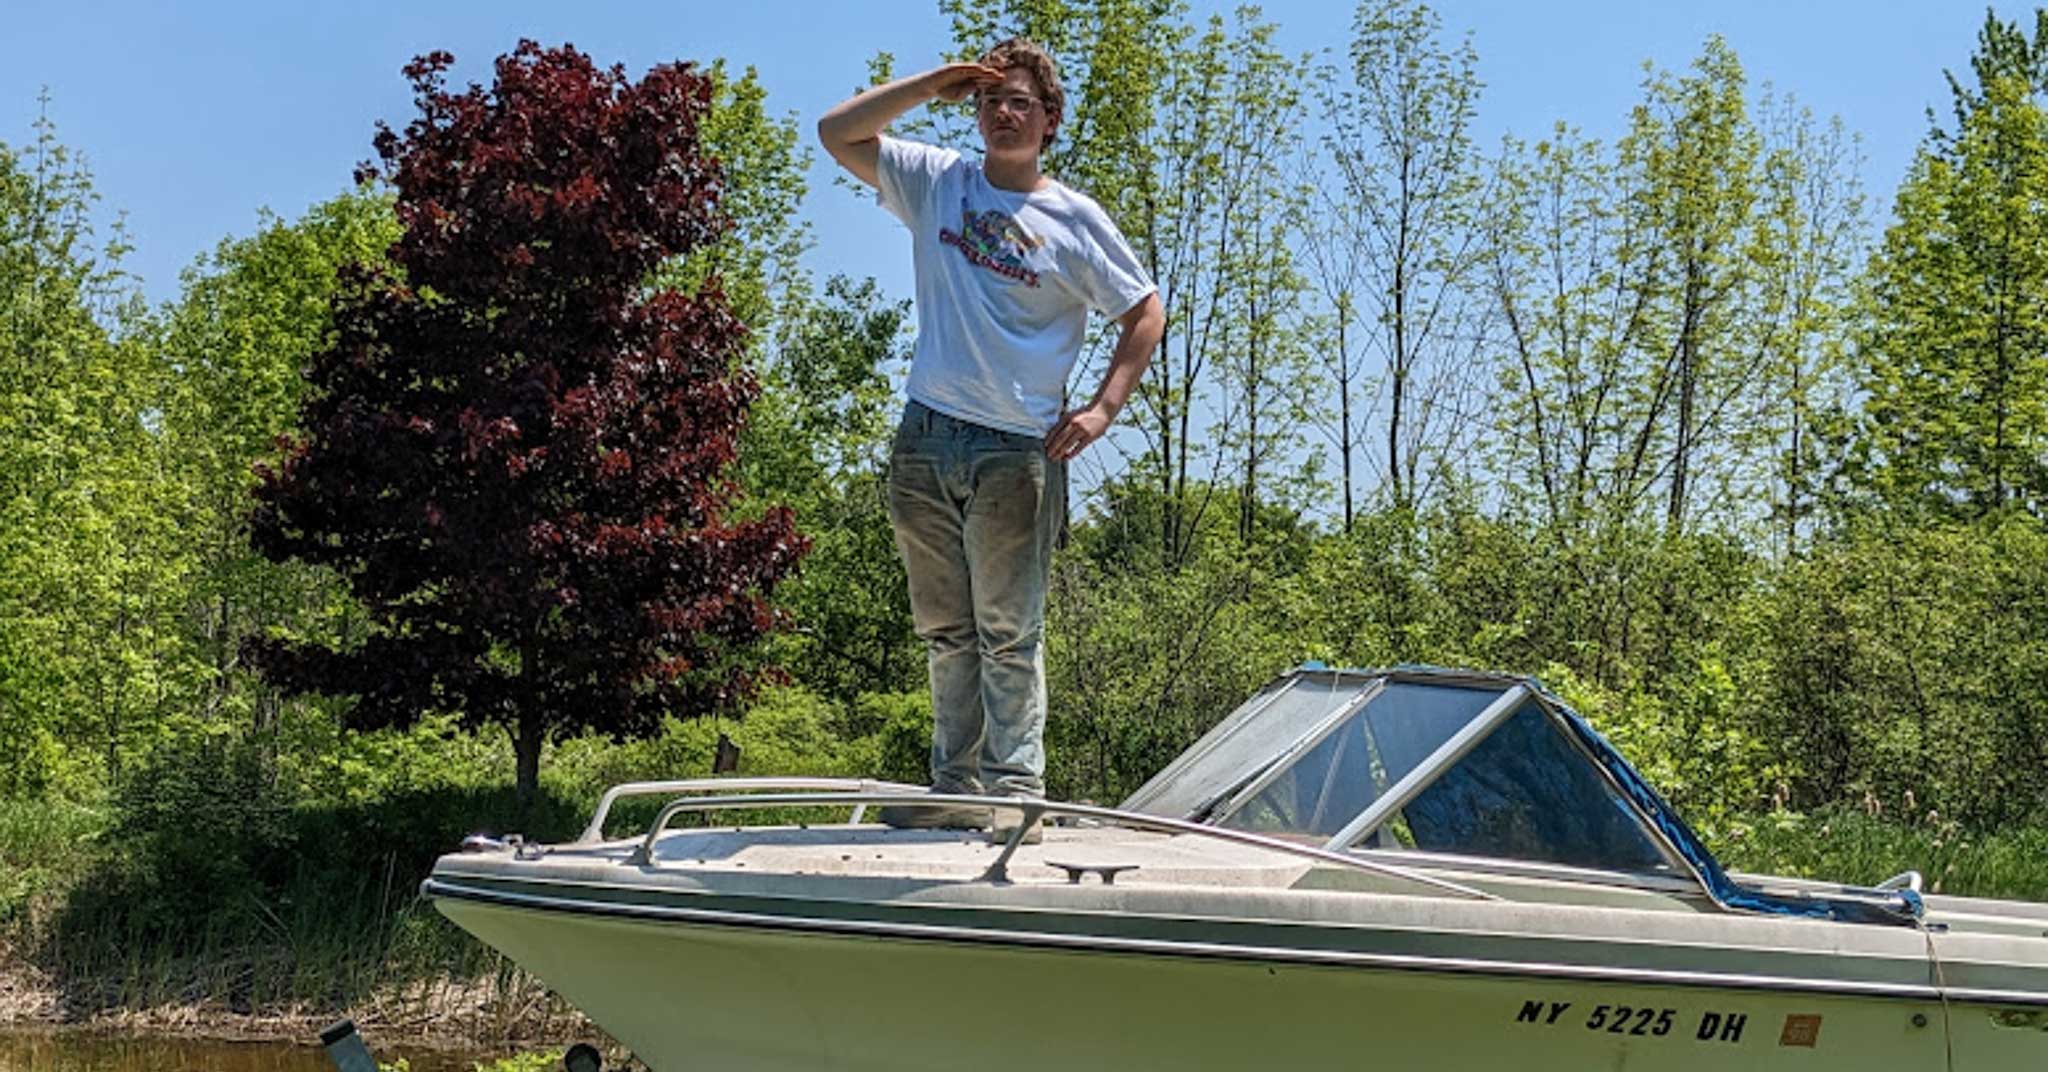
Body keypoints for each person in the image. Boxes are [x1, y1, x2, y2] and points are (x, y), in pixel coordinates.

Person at [817, 39, 1165, 842]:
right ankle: (955, 785)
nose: (1002, 114)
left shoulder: (1074, 219)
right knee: (947, 628)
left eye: (1019, 103)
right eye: (988, 101)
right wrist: (931, 83)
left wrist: (1105, 408)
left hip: (1016, 448)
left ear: (1048, 120)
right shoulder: (940, 181)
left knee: (1009, 629)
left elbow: (1143, 310)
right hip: (926, 435)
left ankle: (1016, 793)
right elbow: (838, 133)